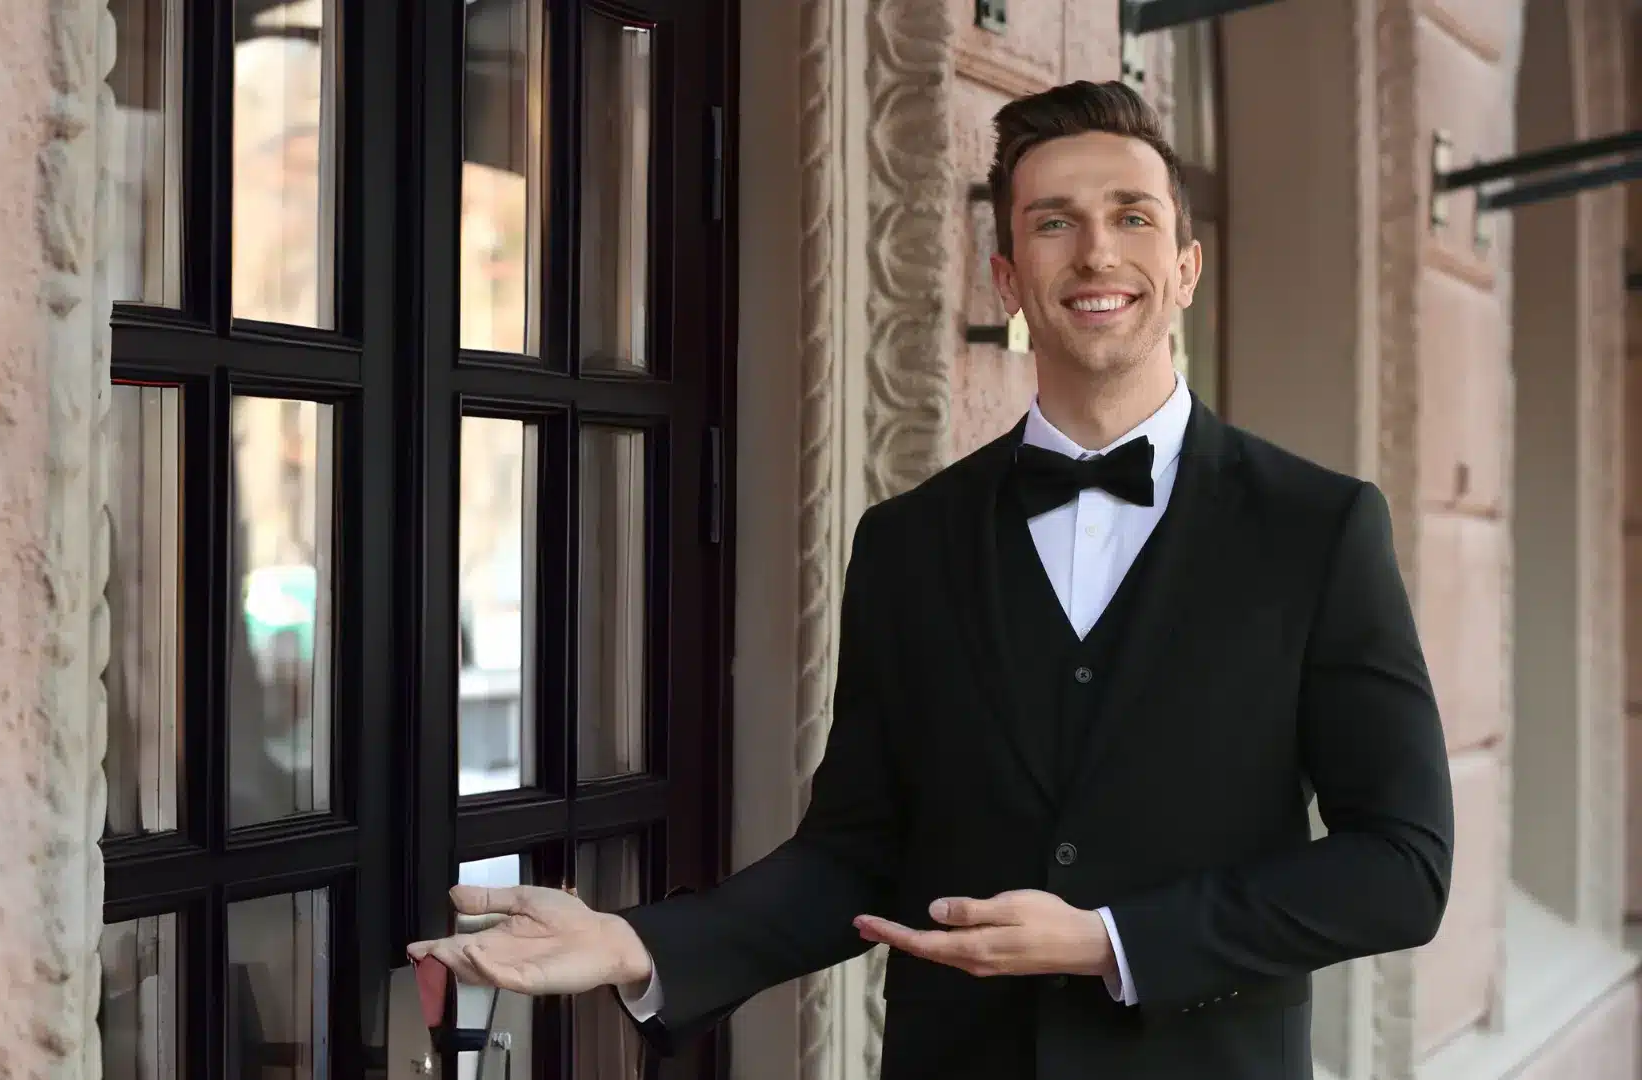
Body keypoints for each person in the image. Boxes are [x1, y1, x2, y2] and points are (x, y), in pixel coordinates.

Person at [408, 79, 1456, 1079]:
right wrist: (637, 944)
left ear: (1185, 268)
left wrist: (1111, 941)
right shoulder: (908, 543)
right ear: (1006, 278)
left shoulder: (1318, 529)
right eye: (1053, 222)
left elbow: (1401, 867)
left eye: (1133, 217)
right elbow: (857, 851)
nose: (1096, 250)